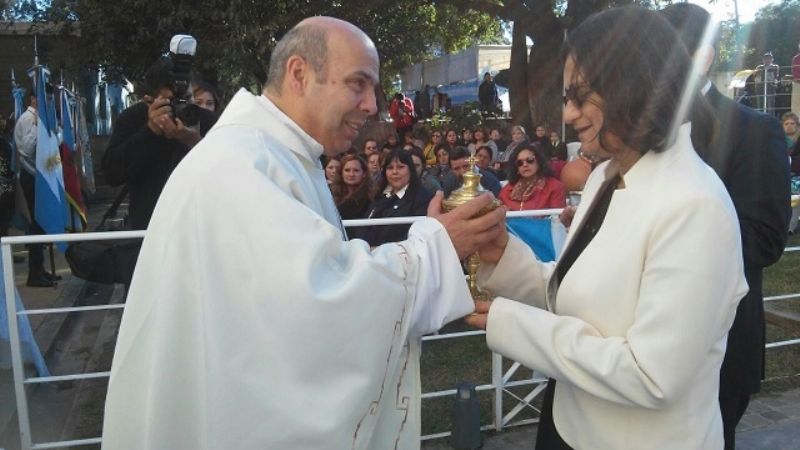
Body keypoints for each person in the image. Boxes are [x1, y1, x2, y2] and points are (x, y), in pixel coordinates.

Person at [101, 17, 506, 450]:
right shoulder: (241, 165)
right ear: (299, 73)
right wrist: (436, 248)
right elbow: (318, 300)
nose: (372, 105)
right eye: (358, 83)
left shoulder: (276, 154)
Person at [466, 7, 747, 450]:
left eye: (579, 94)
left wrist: (513, 325)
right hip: (569, 424)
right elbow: (576, 293)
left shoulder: (696, 206)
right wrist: (504, 254)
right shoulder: (605, 176)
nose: (569, 112)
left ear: (632, 84)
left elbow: (652, 376)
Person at [662, 5, 792, 449]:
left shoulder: (756, 131)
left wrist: (663, 235)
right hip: (636, 348)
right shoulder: (637, 131)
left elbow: (765, 239)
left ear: (702, 58)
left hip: (716, 347)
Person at [102, 56, 218, 231]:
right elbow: (112, 173)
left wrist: (193, 141)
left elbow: (229, 169)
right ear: (149, 100)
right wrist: (150, 132)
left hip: (200, 226)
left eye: (186, 99)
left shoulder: (205, 119)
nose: (181, 106)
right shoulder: (133, 119)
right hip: (149, 229)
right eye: (172, 101)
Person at [13, 84, 57, 287]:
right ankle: (34, 273)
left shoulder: (40, 119)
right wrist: (40, 125)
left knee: (42, 225)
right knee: (34, 226)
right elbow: (26, 150)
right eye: (45, 98)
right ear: (33, 99)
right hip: (31, 177)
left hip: (42, 176)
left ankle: (40, 269)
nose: (48, 102)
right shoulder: (27, 119)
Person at [361, 148, 434, 247]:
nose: (395, 172)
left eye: (400, 167)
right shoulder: (379, 196)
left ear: (411, 170)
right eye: (390, 168)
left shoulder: (422, 199)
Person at [498, 143, 565, 211]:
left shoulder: (555, 187)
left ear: (539, 162)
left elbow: (557, 219)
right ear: (516, 168)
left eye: (530, 160)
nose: (525, 165)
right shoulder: (507, 190)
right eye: (519, 163)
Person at [792, 42, 800, 114]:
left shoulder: (795, 58)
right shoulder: (796, 58)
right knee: (796, 105)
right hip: (797, 83)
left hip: (797, 83)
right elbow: (795, 72)